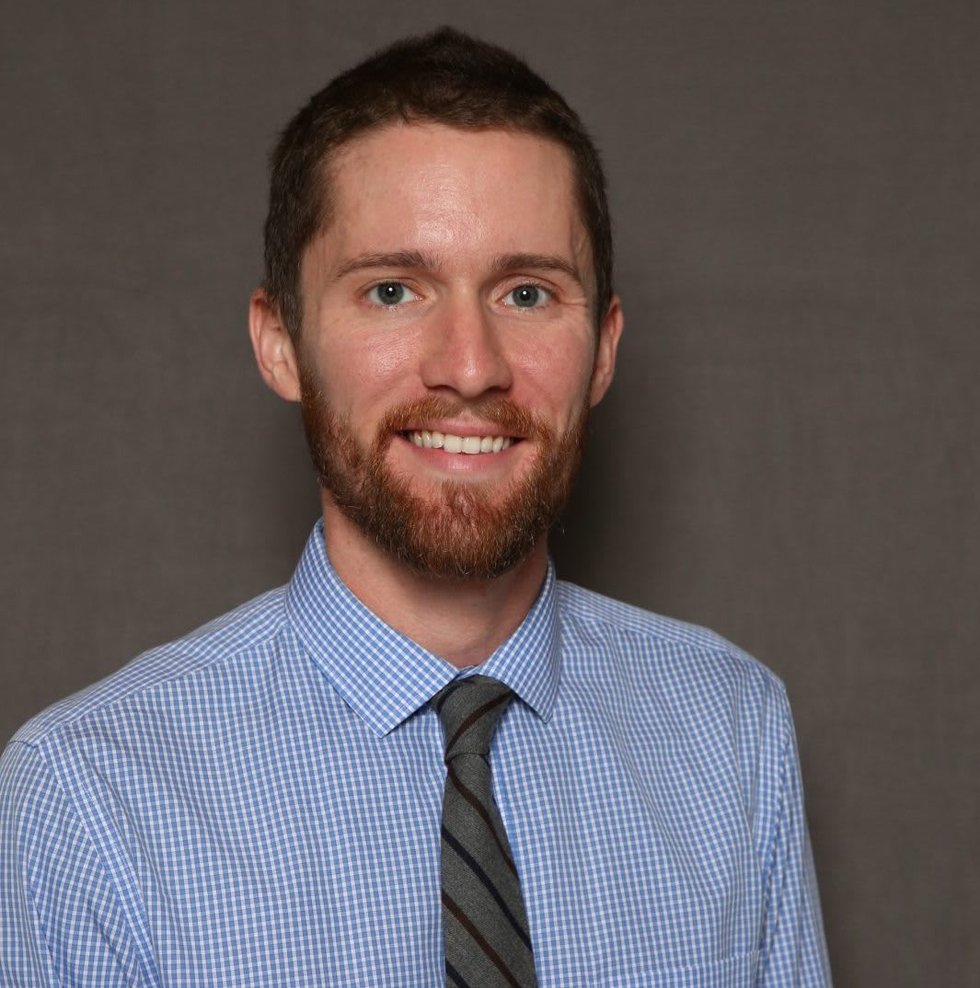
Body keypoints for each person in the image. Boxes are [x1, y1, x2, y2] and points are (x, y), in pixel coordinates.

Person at [0, 28, 831, 987]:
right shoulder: (89, 797)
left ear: (603, 351)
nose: (470, 367)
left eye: (527, 293)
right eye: (393, 290)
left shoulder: (731, 731)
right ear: (280, 342)